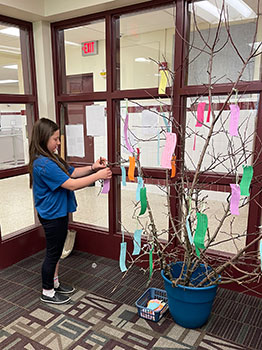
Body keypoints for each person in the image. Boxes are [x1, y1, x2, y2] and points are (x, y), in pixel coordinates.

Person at [28, 117, 112, 305]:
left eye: (59, 138)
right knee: (53, 252)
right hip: (52, 215)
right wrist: (97, 176)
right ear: (43, 139)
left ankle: (55, 283)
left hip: (57, 212)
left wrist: (92, 167)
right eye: (55, 139)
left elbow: (72, 172)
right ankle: (47, 291)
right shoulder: (43, 164)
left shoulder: (51, 158)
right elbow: (71, 184)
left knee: (56, 251)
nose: (58, 143)